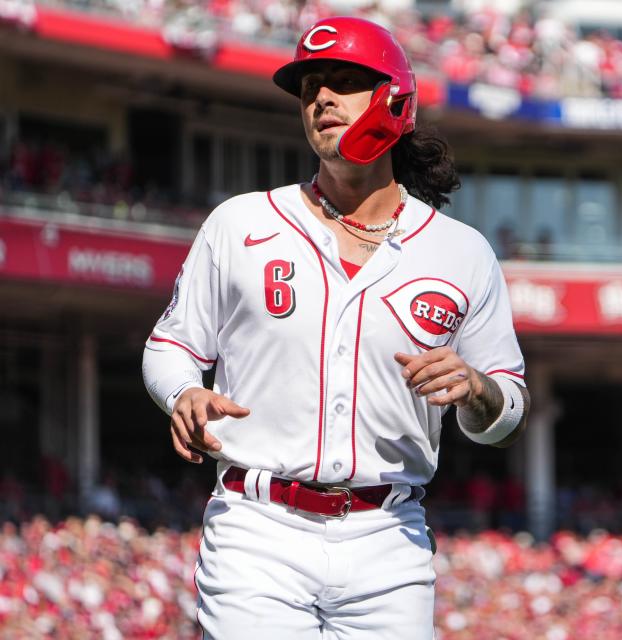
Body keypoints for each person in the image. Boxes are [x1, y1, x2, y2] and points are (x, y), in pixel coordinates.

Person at [141, 16, 529, 639]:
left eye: (343, 81)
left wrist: (480, 389)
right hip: (256, 527)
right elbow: (169, 347)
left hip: (389, 537)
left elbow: (508, 417)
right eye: (309, 87)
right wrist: (182, 392)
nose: (320, 97)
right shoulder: (240, 223)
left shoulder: (462, 252)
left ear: (394, 99)